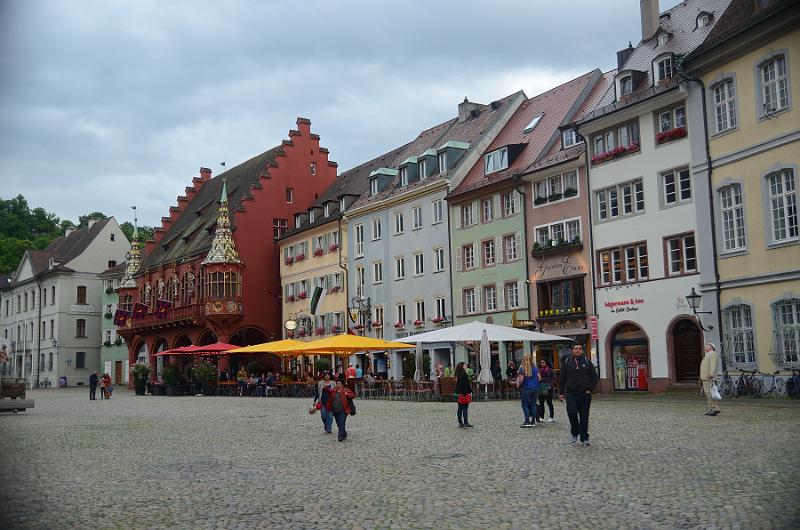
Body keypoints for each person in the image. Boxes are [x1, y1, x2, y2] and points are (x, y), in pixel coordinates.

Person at [558, 343, 598, 446]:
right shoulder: (567, 362)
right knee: (571, 413)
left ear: (582, 351)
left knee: (584, 417)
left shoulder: (587, 362)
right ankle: (575, 432)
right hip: (571, 393)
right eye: (576, 349)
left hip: (584, 394)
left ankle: (584, 437)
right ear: (573, 350)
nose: (578, 350)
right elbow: (562, 378)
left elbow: (594, 377)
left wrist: (590, 389)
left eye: (580, 349)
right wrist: (561, 392)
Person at [324, 375, 356, 441]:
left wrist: (348, 394)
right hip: (335, 410)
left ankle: (340, 436)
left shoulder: (346, 390)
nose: (338, 385)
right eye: (337, 383)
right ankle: (344, 433)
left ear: (342, 385)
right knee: (339, 423)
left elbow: (353, 395)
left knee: (341, 422)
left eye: (339, 384)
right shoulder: (334, 390)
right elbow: (329, 392)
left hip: (343, 410)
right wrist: (325, 388)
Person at [516, 353, 540, 428]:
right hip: (535, 388)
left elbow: (521, 380)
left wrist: (517, 383)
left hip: (527, 388)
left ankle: (527, 421)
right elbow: (539, 378)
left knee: (525, 405)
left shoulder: (522, 369)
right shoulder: (535, 368)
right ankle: (533, 421)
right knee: (533, 404)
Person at [700, 343, 721, 416]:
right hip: (705, 377)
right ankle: (712, 409)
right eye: (705, 345)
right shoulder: (708, 354)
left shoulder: (712, 354)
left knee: (709, 393)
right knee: (708, 393)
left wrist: (711, 374)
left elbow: (713, 364)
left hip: (708, 377)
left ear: (712, 347)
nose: (706, 346)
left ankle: (715, 408)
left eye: (708, 345)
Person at [454, 362, 473, 428]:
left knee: (460, 408)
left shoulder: (457, 373)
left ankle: (460, 422)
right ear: (462, 366)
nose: (466, 366)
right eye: (464, 365)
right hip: (463, 393)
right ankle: (465, 422)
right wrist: (470, 391)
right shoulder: (464, 373)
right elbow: (466, 384)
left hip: (458, 393)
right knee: (465, 408)